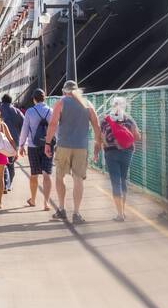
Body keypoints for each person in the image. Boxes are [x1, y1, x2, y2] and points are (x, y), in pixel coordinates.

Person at [43, 80, 101, 225]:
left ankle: (62, 209)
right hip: (81, 147)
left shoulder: (61, 103)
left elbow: (53, 123)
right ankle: (76, 213)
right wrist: (98, 143)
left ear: (64, 91)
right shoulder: (87, 104)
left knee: (59, 176)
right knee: (78, 179)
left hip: (63, 145)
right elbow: (96, 124)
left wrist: (48, 143)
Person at [99, 95, 143, 222]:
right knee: (123, 179)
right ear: (124, 106)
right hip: (127, 152)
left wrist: (107, 146)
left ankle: (120, 214)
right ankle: (123, 210)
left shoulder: (105, 120)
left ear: (112, 106)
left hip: (111, 153)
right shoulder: (128, 118)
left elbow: (101, 137)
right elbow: (137, 136)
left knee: (115, 181)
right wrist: (126, 142)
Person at [18, 89, 53, 210]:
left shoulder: (30, 112)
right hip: (48, 145)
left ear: (34, 99)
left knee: (34, 174)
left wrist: (21, 145)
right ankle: (46, 203)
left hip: (33, 146)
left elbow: (25, 129)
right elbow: (56, 128)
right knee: (47, 174)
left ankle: (33, 200)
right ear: (45, 98)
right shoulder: (51, 111)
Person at [0, 94, 26, 193]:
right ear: (11, 101)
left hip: (0, 141)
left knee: (1, 163)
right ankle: (9, 184)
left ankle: (4, 184)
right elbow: (24, 125)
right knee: (10, 164)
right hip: (14, 141)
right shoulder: (17, 111)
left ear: (2, 100)